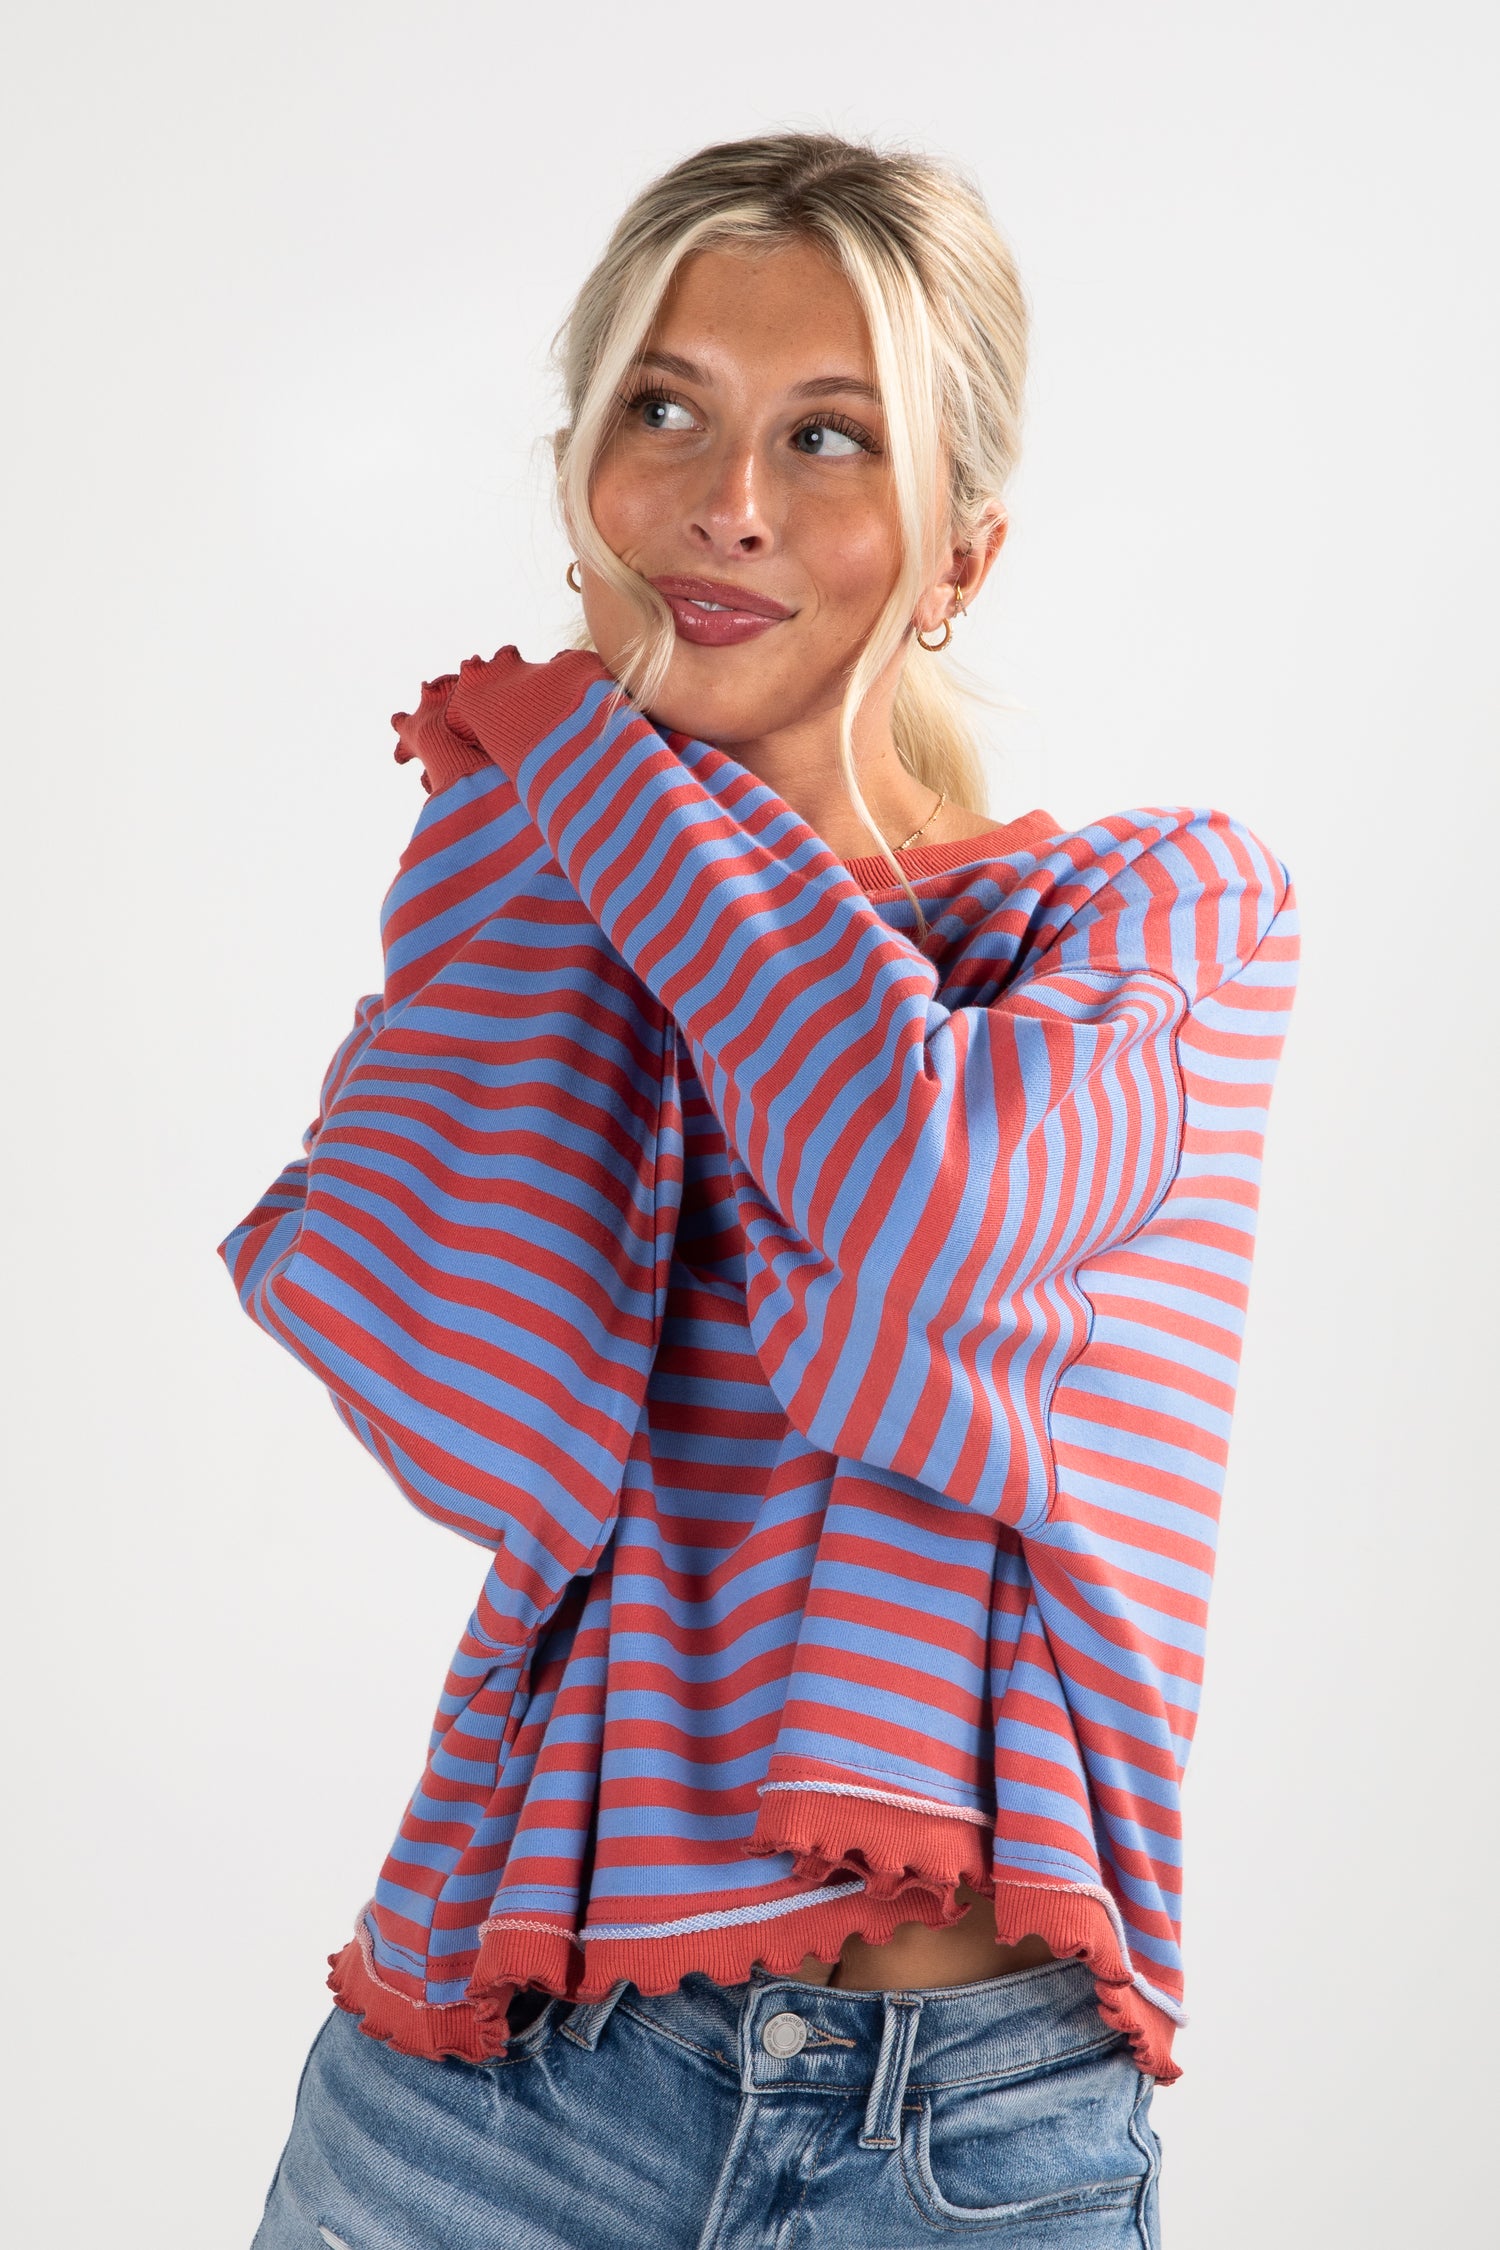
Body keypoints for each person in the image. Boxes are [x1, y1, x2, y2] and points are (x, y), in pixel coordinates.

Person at [226, 131, 1297, 2249]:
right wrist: (551, 844)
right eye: (663, 410)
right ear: (580, 482)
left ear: (961, 551)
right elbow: (487, 1414)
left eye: (830, 434)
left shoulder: (1161, 917)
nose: (727, 501)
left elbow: (918, 1201)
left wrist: (584, 758)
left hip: (976, 2142)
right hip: (500, 2097)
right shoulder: (558, 898)